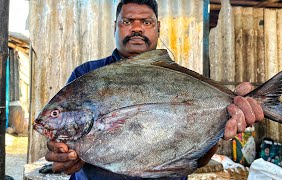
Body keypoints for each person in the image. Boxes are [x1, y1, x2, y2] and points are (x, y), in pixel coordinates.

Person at [45, 0, 264, 179]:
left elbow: (197, 161)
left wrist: (219, 129)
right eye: (127, 21)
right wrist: (65, 157)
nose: (137, 28)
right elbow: (63, 152)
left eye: (146, 22)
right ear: (115, 26)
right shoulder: (85, 75)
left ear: (158, 27)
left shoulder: (182, 81)